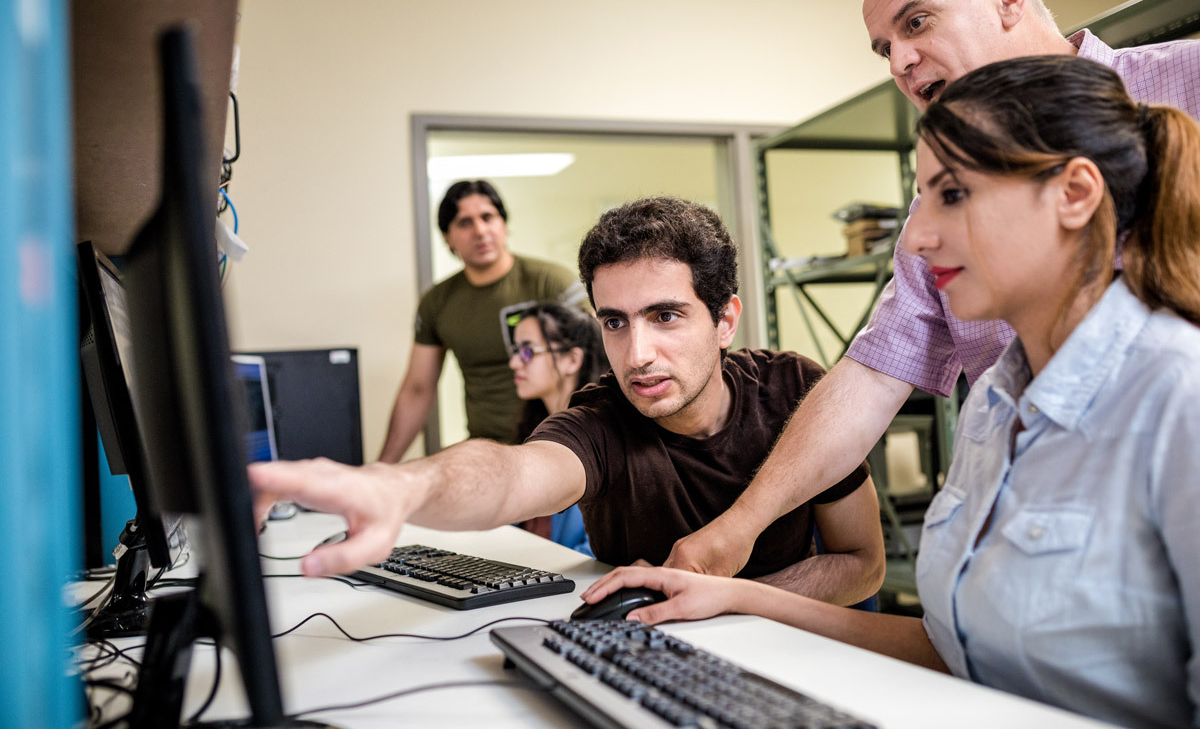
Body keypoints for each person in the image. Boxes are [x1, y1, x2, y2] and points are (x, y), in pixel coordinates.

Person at [583, 55, 1200, 729]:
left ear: (1074, 193)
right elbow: (956, 653)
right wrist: (731, 598)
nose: (915, 236)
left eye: (952, 194)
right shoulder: (995, 400)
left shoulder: (1178, 396)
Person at [664, 0, 1200, 578]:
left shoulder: (1186, 82)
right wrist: (739, 529)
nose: (898, 62)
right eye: (885, 48)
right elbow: (874, 374)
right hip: (1035, 543)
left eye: (916, 22)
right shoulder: (938, 225)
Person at [252, 197, 886, 606]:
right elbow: (509, 476)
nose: (636, 353)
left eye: (665, 316)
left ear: (725, 321)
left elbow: (863, 564)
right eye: (614, 322)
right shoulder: (602, 420)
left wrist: (735, 598)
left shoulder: (796, 390)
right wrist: (401, 487)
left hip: (803, 654)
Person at [378, 179, 583, 463]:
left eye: (488, 217)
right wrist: (383, 467)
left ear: (503, 224)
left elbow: (598, 362)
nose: (480, 230)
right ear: (447, 238)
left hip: (557, 443)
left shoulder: (551, 283)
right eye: (464, 223)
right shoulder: (437, 303)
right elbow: (417, 389)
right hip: (487, 451)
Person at [508, 302, 608, 555]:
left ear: (572, 360)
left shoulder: (605, 442)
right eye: (515, 350)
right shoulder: (532, 433)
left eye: (528, 351)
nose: (514, 363)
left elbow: (599, 557)